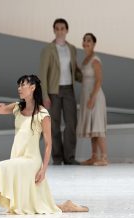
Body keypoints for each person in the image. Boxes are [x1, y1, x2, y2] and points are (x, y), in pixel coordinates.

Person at [0, 75, 88, 214]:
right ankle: (66, 206)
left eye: (23, 85)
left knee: (1, 166)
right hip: (17, 156)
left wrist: (43, 170)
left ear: (33, 87)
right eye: (19, 85)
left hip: (31, 161)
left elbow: (48, 145)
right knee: (33, 205)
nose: (19, 88)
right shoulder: (17, 107)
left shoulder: (43, 114)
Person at [39, 18, 82, 165]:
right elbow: (43, 74)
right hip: (53, 91)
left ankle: (69, 157)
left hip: (69, 89)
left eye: (62, 28)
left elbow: (75, 69)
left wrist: (86, 76)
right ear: (54, 30)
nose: (59, 31)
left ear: (67, 30)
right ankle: (57, 157)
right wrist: (45, 95)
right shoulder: (48, 49)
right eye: (57, 28)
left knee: (71, 124)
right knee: (54, 125)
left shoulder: (72, 49)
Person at [77, 33, 108, 166]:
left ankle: (104, 158)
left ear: (94, 44)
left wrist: (92, 98)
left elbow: (99, 80)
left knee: (97, 126)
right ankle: (94, 156)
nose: (86, 42)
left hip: (95, 97)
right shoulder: (85, 60)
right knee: (92, 127)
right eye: (84, 40)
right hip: (87, 96)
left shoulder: (95, 59)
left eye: (89, 40)